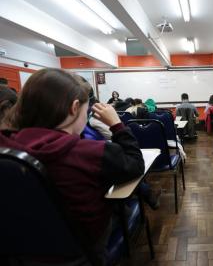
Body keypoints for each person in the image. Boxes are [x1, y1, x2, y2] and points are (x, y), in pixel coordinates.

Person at [0, 68, 145, 264]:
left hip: (20, 252)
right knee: (123, 208)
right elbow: (135, 165)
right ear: (75, 107)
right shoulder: (92, 152)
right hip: (82, 251)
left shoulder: (7, 144)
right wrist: (117, 125)